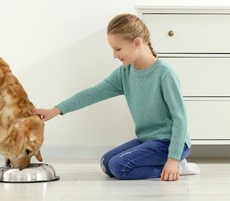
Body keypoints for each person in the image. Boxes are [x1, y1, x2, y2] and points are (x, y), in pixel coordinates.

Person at [33, 13, 200, 181]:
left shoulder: (164, 73)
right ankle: (169, 164)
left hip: (169, 142)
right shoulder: (125, 73)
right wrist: (56, 110)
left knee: (119, 167)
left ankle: (177, 166)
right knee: (106, 163)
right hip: (147, 140)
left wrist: (173, 157)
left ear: (137, 43)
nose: (114, 55)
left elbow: (180, 119)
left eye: (118, 49)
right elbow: (93, 93)